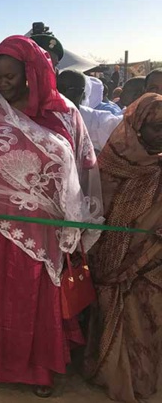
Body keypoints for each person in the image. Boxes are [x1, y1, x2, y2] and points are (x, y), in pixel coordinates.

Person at [0, 35, 103, 398]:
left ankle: (39, 370)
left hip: (43, 230)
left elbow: (84, 165)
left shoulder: (65, 113)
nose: (2, 84)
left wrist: (79, 217)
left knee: (34, 300)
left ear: (32, 73)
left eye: (10, 77)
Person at [84, 93, 162, 403]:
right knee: (109, 317)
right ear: (137, 126)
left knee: (145, 322)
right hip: (108, 264)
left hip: (151, 265)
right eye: (157, 127)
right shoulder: (108, 163)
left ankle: (140, 380)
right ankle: (107, 374)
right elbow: (94, 212)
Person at [57, 69, 122, 152]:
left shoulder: (97, 118)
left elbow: (121, 125)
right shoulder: (44, 115)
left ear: (81, 92)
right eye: (59, 88)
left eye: (64, 88)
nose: (60, 93)